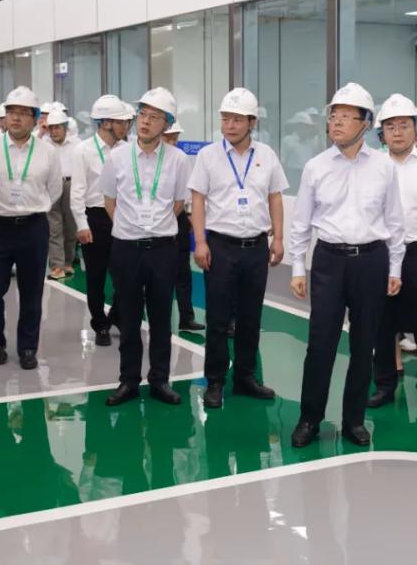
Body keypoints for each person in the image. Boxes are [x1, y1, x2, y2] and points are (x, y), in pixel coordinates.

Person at [288, 82, 405, 448]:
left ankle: (354, 420)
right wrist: (297, 267)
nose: (335, 123)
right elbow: (301, 222)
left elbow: (395, 221)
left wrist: (395, 269)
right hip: (328, 261)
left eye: (345, 117)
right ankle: (309, 418)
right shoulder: (315, 167)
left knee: (364, 344)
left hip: (371, 261)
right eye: (333, 116)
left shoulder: (384, 167)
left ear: (365, 124)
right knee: (320, 342)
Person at [189, 87, 289, 409]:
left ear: (252, 123)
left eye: (236, 119)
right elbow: (197, 200)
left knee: (250, 316)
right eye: (225, 119)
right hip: (220, 246)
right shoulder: (208, 156)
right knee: (218, 318)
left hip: (256, 247)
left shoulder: (266, 155)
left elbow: (275, 197)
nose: (229, 125)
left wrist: (278, 238)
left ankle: (246, 377)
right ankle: (215, 380)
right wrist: (200, 241)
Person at [99, 87, 192, 407]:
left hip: (163, 249)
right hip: (126, 248)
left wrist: (154, 227)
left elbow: (178, 203)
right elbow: (109, 200)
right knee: (128, 317)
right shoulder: (117, 156)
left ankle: (160, 380)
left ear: (167, 124)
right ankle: (128, 380)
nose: (146, 121)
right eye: (142, 114)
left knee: (161, 317)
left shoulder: (178, 160)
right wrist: (131, 227)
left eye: (154, 117)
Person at [0, 86, 62, 370]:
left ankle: (27, 348)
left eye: (23, 113)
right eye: (11, 112)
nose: (16, 118)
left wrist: (31, 206)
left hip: (34, 228)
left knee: (32, 292)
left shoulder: (47, 152)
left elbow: (55, 189)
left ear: (35, 119)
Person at [366, 94, 417, 413]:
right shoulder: (370, 164)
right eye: (390, 127)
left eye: (404, 126)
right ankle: (384, 384)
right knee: (382, 323)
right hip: (381, 253)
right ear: (381, 133)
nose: (397, 132)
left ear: (415, 128)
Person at [72, 94, 133, 346]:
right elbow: (77, 191)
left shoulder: (127, 149)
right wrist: (82, 225)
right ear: (106, 123)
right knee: (96, 276)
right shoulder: (83, 150)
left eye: (127, 122)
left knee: (126, 273)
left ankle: (117, 315)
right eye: (121, 122)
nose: (126, 126)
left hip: (122, 216)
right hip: (95, 218)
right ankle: (100, 324)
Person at [161, 121, 205, 331]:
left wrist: (189, 216)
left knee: (183, 271)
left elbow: (189, 193)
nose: (173, 142)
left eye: (175, 138)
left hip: (177, 219)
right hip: (153, 224)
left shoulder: (181, 159)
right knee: (158, 274)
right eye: (169, 137)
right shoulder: (147, 159)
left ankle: (186, 317)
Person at [44, 108, 79, 280]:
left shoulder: (77, 144)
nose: (54, 131)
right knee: (54, 228)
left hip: (71, 184)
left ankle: (67, 262)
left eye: (57, 127)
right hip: (51, 185)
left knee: (71, 227)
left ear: (65, 128)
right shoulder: (43, 145)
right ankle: (56, 266)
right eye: (51, 128)